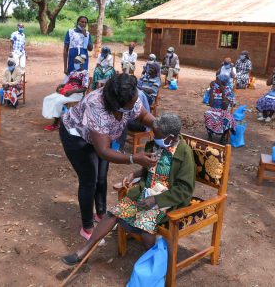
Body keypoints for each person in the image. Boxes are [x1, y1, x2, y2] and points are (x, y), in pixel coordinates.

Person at [62, 112, 195, 266]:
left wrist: (155, 200)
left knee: (146, 229)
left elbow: (184, 189)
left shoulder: (184, 154)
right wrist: (134, 174)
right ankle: (83, 252)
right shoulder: (156, 145)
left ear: (171, 137)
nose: (154, 137)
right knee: (113, 213)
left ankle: (153, 266)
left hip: (167, 200)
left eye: (157, 135)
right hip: (146, 192)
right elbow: (150, 169)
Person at [60, 73, 159, 241]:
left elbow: (142, 116)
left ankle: (100, 214)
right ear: (118, 105)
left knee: (101, 177)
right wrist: (135, 158)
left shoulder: (129, 96)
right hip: (76, 137)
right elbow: (103, 151)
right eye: (132, 103)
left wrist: (160, 126)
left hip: (99, 138)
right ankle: (87, 228)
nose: (136, 103)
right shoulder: (96, 106)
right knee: (89, 180)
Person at [42, 55, 89, 131]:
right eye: (74, 62)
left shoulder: (85, 73)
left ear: (81, 63)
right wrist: (61, 85)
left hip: (76, 94)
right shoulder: (73, 72)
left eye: (77, 62)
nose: (75, 64)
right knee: (48, 98)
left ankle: (56, 123)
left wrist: (72, 91)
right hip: (67, 91)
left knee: (58, 101)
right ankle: (52, 116)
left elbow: (84, 88)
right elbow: (68, 83)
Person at [204, 75, 236, 144]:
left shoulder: (229, 91)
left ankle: (222, 137)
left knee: (227, 119)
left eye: (217, 80)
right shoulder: (214, 89)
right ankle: (210, 135)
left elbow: (225, 107)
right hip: (213, 109)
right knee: (207, 114)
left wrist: (223, 93)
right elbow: (211, 104)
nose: (215, 81)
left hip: (224, 110)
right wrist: (212, 90)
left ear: (222, 82)